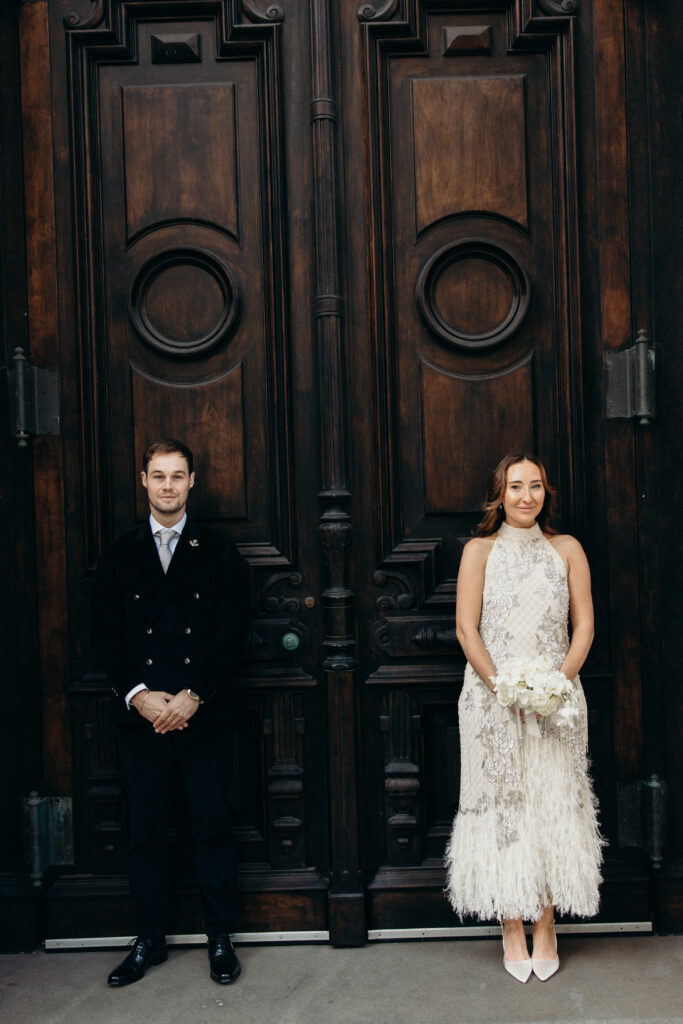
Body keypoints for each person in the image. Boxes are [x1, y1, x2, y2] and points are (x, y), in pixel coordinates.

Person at [91, 439, 250, 987]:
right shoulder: (119, 554)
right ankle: (149, 940)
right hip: (142, 717)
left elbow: (232, 631)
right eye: (158, 476)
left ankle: (220, 938)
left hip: (201, 712)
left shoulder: (219, 551)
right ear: (142, 481)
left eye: (176, 476)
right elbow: (105, 637)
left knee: (212, 828)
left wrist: (192, 694)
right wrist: (138, 694)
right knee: (147, 833)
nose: (167, 486)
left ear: (192, 481)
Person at [445, 451, 603, 983]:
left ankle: (546, 921)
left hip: (557, 701)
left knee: (549, 803)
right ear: (499, 494)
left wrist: (558, 683)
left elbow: (583, 626)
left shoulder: (567, 549)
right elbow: (468, 630)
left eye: (535, 486)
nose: (526, 496)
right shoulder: (479, 551)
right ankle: (511, 923)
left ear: (546, 493)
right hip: (492, 701)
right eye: (516, 486)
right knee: (503, 803)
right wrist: (503, 688)